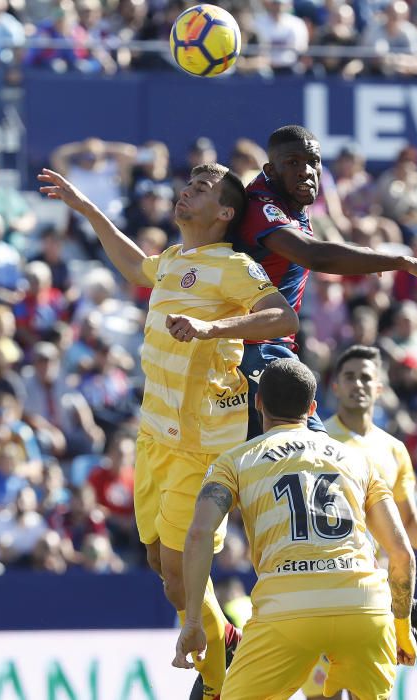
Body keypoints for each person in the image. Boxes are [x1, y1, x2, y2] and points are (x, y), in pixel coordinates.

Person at [38, 163, 298, 700]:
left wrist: (214, 327)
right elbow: (138, 267)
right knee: (161, 563)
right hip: (154, 434)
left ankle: (223, 678)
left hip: (203, 442)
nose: (186, 191)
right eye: (188, 184)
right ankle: (224, 637)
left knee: (182, 576)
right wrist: (87, 207)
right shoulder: (177, 259)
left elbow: (282, 320)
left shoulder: (232, 266)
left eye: (201, 189)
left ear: (225, 212)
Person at [174, 358, 417, 700]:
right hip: (363, 607)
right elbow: (402, 553)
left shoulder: (235, 461)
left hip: (286, 612)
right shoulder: (358, 461)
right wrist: (401, 626)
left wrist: (194, 622)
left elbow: (199, 535)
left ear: (258, 403)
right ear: (313, 408)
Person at [235, 124, 417, 438]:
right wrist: (401, 261)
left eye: (313, 162)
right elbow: (313, 255)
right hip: (252, 350)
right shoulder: (263, 206)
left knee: (305, 461)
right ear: (270, 170)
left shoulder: (290, 200)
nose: (306, 171)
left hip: (269, 348)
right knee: (310, 459)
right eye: (292, 163)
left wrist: (365, 255)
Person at [302, 344, 417, 699]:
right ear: (336, 387)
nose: (357, 384)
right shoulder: (314, 440)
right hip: (322, 590)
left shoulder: (393, 449)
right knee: (319, 695)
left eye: (365, 377)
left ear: (379, 389)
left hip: (373, 598)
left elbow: (407, 526)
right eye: (349, 377)